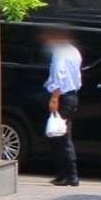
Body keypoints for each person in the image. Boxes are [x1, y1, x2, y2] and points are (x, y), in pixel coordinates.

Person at [43, 30, 83, 187]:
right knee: (63, 136)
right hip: (72, 96)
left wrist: (54, 98)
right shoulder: (74, 51)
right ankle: (68, 175)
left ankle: (68, 175)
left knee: (58, 136)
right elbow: (76, 76)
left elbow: (59, 77)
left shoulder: (59, 53)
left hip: (63, 97)